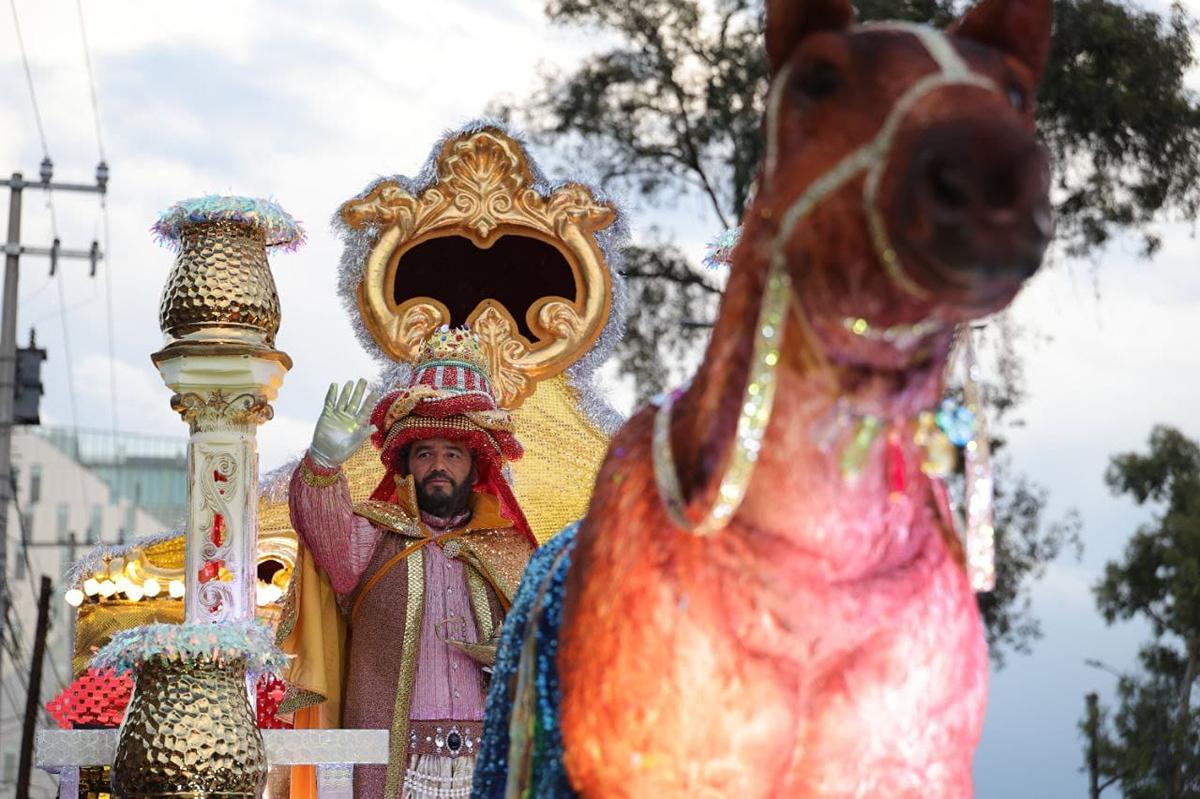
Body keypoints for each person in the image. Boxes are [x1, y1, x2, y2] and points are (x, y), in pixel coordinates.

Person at [288, 327, 536, 799]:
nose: (438, 465)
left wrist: (512, 654)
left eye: (452, 454)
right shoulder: (372, 536)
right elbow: (322, 532)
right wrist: (321, 465)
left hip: (490, 765)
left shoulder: (508, 549)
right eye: (425, 453)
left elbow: (548, 649)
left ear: (476, 465)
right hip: (395, 766)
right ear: (407, 464)